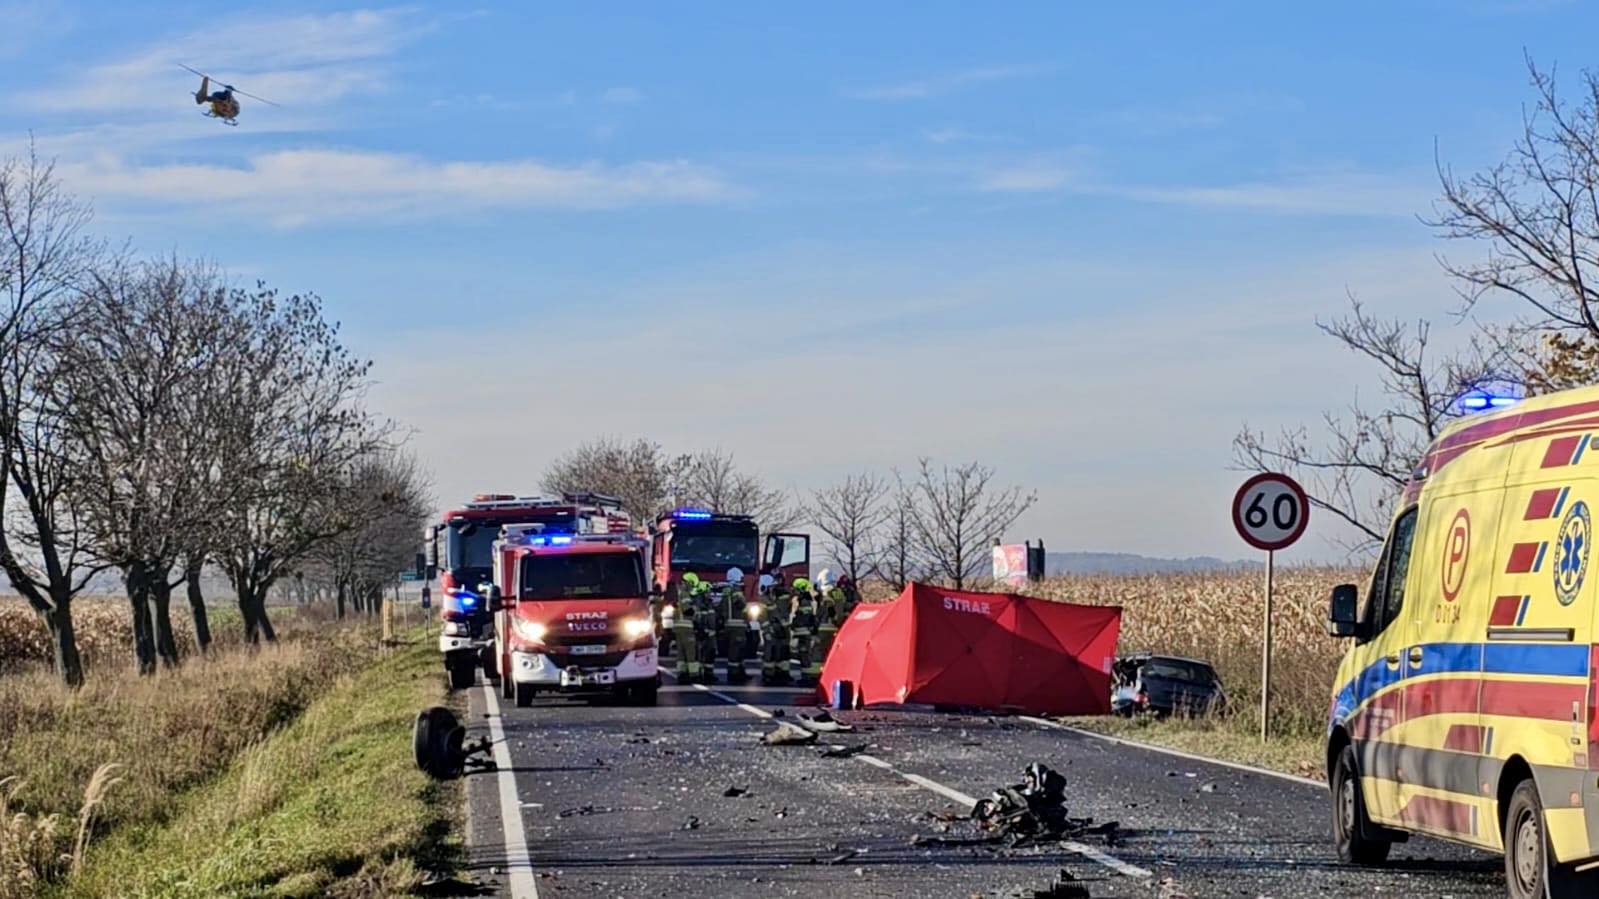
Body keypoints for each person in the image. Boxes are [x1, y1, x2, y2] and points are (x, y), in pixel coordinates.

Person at [716, 567, 750, 683]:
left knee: (738, 650)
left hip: (732, 625)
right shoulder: (735, 591)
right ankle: (734, 674)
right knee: (736, 651)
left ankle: (740, 672)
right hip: (737, 626)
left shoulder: (726, 592)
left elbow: (721, 608)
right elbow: (741, 605)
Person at [672, 572, 704, 682]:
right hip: (686, 627)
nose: (692, 587)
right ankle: (694, 675)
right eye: (691, 584)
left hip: (678, 627)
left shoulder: (679, 594)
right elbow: (687, 610)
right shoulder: (685, 594)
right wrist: (696, 609)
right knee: (691, 651)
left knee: (681, 652)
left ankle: (682, 673)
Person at [759, 577, 792, 685]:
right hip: (771, 630)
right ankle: (768, 675)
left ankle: (781, 674)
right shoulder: (764, 600)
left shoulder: (777, 597)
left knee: (782, 651)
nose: (774, 588)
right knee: (770, 653)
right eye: (771, 586)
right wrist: (768, 631)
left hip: (780, 629)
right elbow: (763, 618)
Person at [788, 577, 819, 684]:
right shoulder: (804, 600)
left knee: (804, 654)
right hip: (802, 632)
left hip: (804, 632)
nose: (793, 591)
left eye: (795, 589)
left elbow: (804, 617)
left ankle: (806, 677)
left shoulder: (803, 601)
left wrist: (794, 624)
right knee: (803, 654)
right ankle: (805, 676)